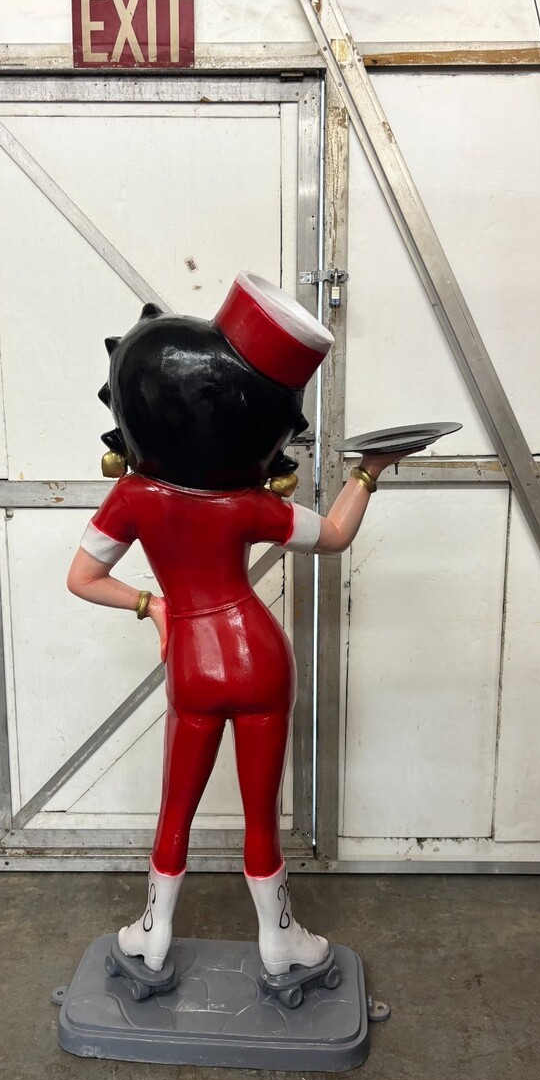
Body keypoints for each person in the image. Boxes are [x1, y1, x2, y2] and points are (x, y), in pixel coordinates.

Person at [67, 273, 406, 976]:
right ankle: (279, 941)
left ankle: (152, 931)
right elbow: (336, 534)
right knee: (261, 812)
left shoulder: (131, 497)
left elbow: (82, 579)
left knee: (176, 806)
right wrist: (368, 472)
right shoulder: (251, 506)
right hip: (260, 659)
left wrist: (153, 605)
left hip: (193, 665)